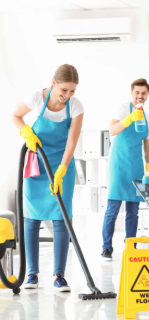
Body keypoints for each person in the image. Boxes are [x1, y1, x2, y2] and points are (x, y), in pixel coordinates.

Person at [12, 64, 84, 291]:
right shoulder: (36, 97)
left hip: (62, 165)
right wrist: (26, 131)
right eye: (64, 90)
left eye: (72, 91)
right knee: (31, 218)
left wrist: (62, 170)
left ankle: (59, 275)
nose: (67, 95)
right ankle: (32, 274)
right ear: (53, 83)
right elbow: (16, 116)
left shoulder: (75, 106)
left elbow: (71, 142)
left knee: (61, 217)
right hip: (36, 164)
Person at [101, 78, 149, 261]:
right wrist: (130, 118)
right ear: (132, 93)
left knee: (133, 210)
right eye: (137, 92)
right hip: (118, 164)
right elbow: (113, 130)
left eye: (143, 93)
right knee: (112, 209)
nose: (140, 96)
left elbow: (148, 146)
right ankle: (106, 248)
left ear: (147, 95)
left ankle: (130, 245)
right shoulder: (122, 109)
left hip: (135, 165)